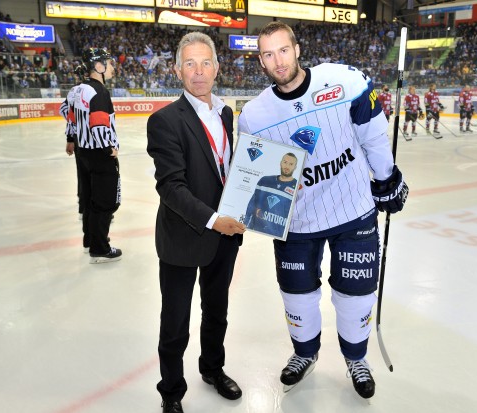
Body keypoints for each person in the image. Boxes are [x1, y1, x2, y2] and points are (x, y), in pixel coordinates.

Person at [238, 21, 409, 400]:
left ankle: (356, 358)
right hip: (298, 221)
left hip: (353, 210)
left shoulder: (343, 79)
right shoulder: (254, 115)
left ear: (297, 49)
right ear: (261, 62)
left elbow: (373, 135)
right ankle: (304, 353)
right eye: (268, 54)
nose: (278, 61)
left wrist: (386, 179)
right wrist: (259, 205)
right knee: (296, 294)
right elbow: (253, 177)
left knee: (357, 293)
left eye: (283, 50)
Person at [146, 32, 246, 413]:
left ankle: (213, 369)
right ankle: (171, 393)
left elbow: (229, 172)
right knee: (175, 323)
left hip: (225, 236)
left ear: (218, 68)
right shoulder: (165, 121)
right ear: (177, 70)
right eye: (190, 63)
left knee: (216, 310)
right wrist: (213, 220)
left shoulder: (225, 112)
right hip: (183, 237)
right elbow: (171, 187)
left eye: (205, 63)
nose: (198, 71)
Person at [73, 48, 122, 263]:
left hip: (83, 151)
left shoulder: (79, 90)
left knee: (92, 200)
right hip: (99, 155)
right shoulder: (99, 92)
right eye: (109, 64)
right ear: (99, 66)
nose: (112, 67)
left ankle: (90, 241)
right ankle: (100, 248)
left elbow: (70, 116)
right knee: (105, 202)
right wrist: (108, 149)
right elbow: (100, 124)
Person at [243, 152, 299, 238]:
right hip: (256, 232)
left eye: (291, 164)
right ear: (280, 163)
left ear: (295, 167)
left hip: (278, 237)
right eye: (285, 162)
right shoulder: (264, 181)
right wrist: (245, 225)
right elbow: (252, 205)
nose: (287, 166)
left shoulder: (297, 187)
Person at [59, 65, 86, 220]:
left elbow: (65, 110)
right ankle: (86, 204)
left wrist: (70, 138)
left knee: (82, 173)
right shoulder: (84, 92)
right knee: (88, 173)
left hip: (78, 139)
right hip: (87, 141)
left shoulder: (75, 91)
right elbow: (67, 112)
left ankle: (83, 203)